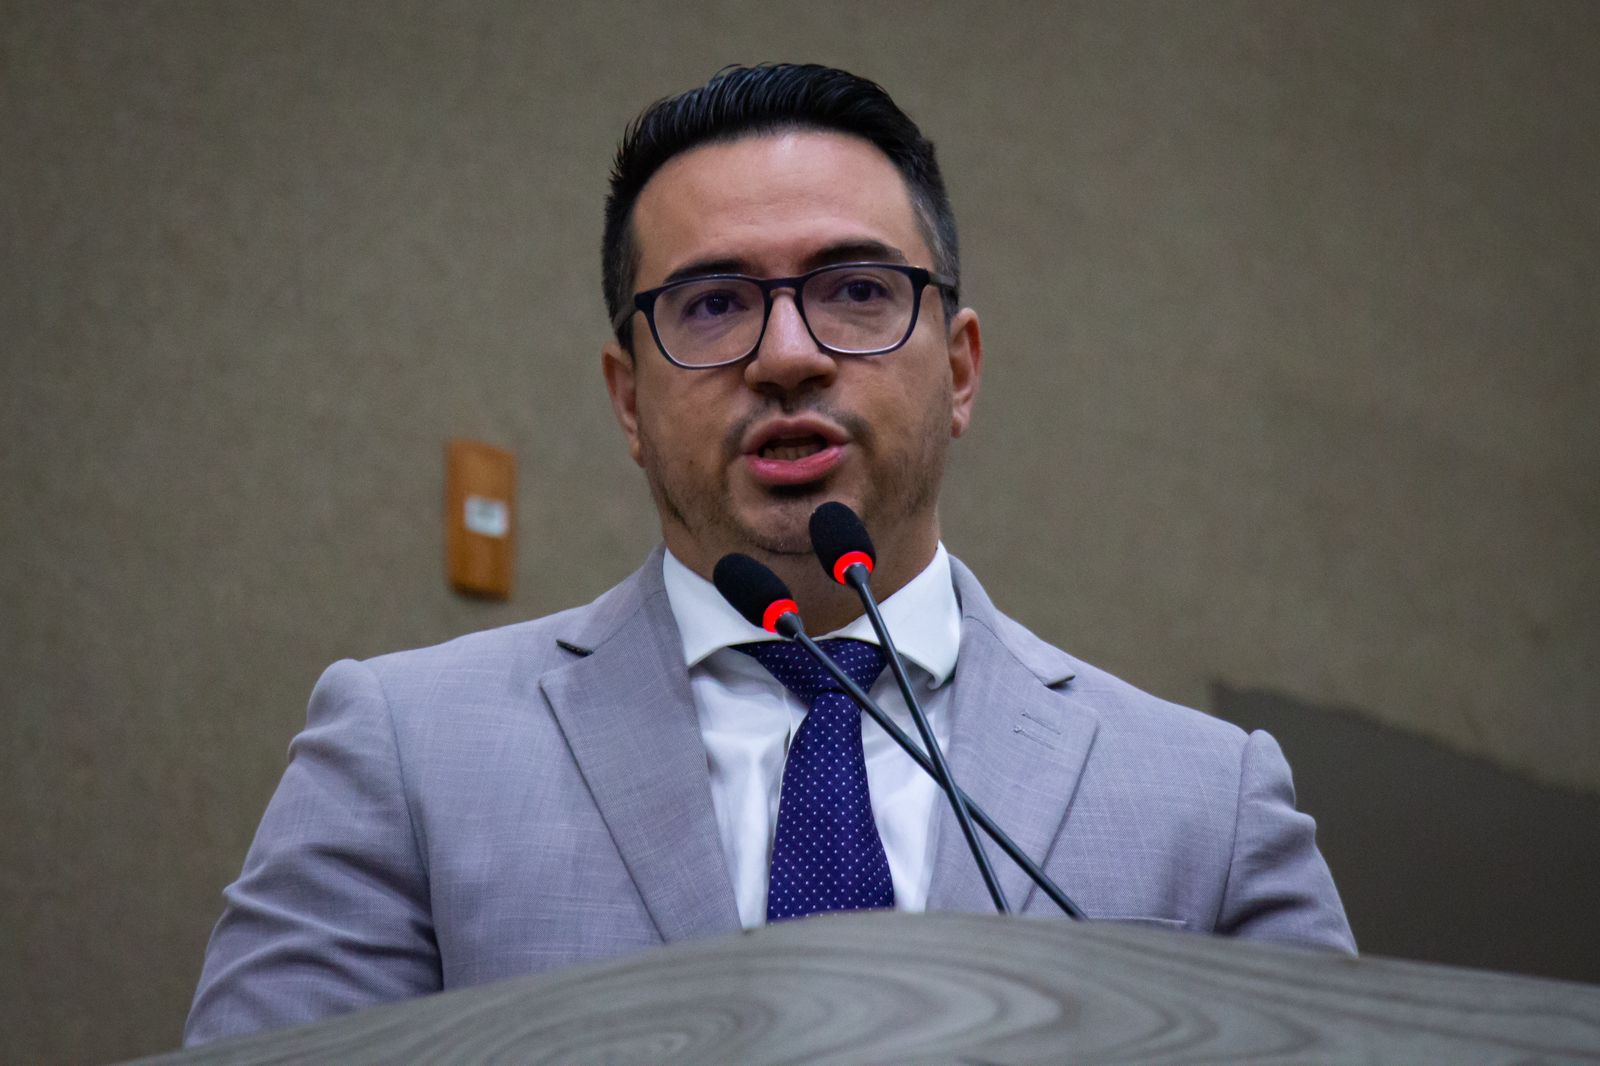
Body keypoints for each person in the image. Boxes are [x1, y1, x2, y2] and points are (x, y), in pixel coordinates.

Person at [184, 63, 1353, 1046]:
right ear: (628, 399)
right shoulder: (405, 753)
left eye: (856, 290)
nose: (787, 354)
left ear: (958, 370)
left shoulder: (1206, 798)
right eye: (711, 304)